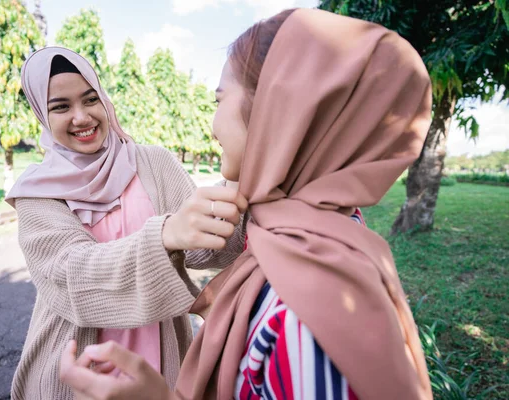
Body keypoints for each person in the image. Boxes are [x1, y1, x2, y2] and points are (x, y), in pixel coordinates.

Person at [59, 8, 434, 400]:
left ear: (277, 112)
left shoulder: (303, 316)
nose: (212, 124)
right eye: (60, 106)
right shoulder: (312, 233)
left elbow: (206, 247)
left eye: (220, 100)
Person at [5, 47, 248, 399]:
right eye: (61, 106)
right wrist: (163, 235)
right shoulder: (36, 193)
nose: (81, 117)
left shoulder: (153, 163)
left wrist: (241, 173)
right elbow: (70, 276)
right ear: (42, 115)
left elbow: (206, 247)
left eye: (90, 100)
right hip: (75, 369)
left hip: (158, 358)